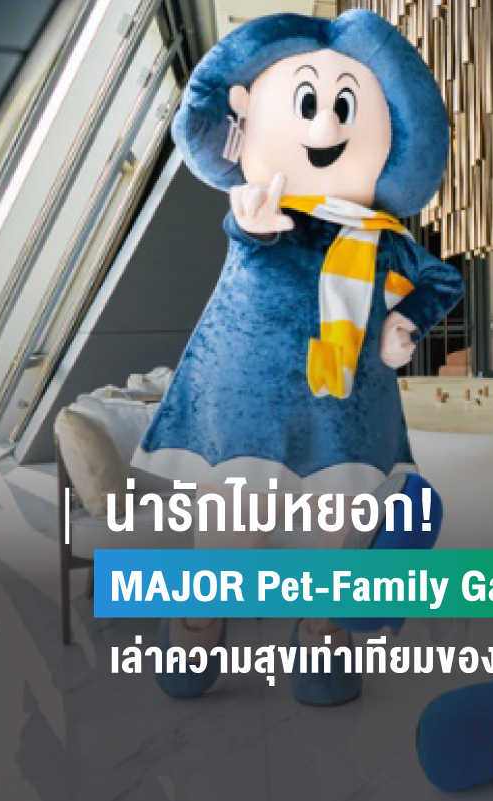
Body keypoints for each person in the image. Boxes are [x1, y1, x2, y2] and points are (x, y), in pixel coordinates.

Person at [131, 10, 461, 705]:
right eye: (308, 103)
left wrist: (406, 318)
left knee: (340, 541)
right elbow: (247, 237)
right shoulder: (263, 217)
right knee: (229, 535)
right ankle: (197, 623)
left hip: (345, 423)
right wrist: (250, 222)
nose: (325, 126)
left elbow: (441, 280)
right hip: (246, 418)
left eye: (346, 107)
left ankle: (321, 633)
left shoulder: (383, 239)